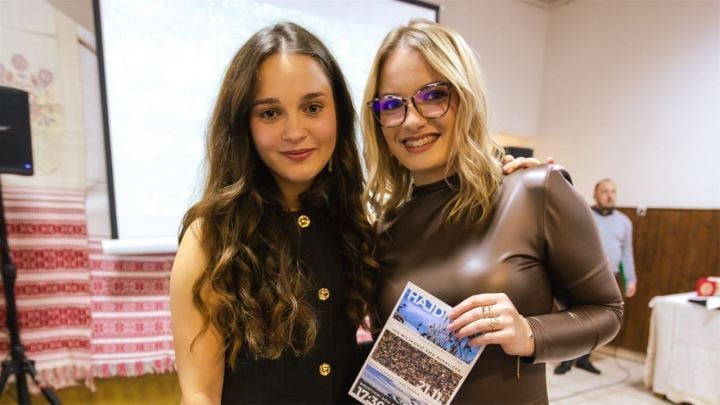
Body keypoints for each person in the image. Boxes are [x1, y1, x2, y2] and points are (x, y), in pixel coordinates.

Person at [362, 19, 624, 403]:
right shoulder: (386, 228)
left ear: (466, 96)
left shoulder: (534, 190)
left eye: (433, 95)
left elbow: (607, 311)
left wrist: (528, 333)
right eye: (391, 104)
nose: (412, 120)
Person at [169, 22, 378, 404]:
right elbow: (199, 393)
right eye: (269, 113)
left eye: (312, 108)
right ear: (243, 125)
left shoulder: (351, 222)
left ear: (339, 113)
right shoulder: (212, 237)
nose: (294, 131)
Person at [554, 178, 637, 375]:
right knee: (573, 319)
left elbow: (627, 253)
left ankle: (584, 358)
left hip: (610, 277)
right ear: (595, 194)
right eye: (605, 191)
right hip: (582, 276)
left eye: (613, 191)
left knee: (596, 321)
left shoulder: (624, 222)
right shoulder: (584, 215)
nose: (610, 195)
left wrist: (631, 279)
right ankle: (567, 359)